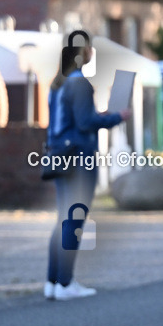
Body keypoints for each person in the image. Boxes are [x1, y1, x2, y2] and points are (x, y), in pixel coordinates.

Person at [45, 31, 130, 300]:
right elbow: (84, 123)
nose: (93, 53)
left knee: (62, 219)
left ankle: (53, 282)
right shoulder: (80, 83)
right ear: (83, 52)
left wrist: (98, 115)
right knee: (74, 219)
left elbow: (74, 118)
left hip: (59, 155)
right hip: (79, 158)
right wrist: (116, 116)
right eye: (91, 48)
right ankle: (67, 283)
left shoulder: (57, 83)